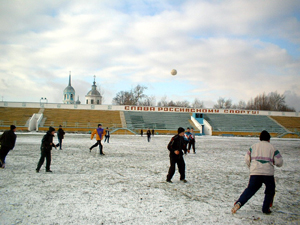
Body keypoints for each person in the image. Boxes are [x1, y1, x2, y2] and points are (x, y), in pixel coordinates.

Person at [231, 130, 283, 214]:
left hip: (255, 172)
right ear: (269, 139)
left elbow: (247, 159)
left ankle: (239, 203)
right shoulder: (272, 148)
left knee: (250, 189)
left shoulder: (253, 146)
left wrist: (251, 167)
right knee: (270, 190)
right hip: (268, 173)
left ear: (260, 138)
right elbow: (279, 162)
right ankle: (266, 208)